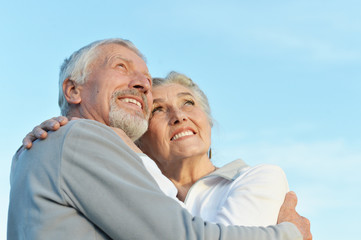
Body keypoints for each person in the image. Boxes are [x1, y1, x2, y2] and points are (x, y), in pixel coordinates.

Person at [10, 38, 311, 240]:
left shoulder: (62, 142)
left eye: (189, 103)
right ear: (73, 90)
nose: (141, 83)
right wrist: (288, 233)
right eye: (121, 67)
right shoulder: (78, 138)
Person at [30, 71, 290, 227]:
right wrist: (56, 134)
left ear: (207, 122)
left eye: (188, 103)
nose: (179, 116)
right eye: (158, 110)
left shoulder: (258, 178)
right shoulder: (129, 195)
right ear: (137, 138)